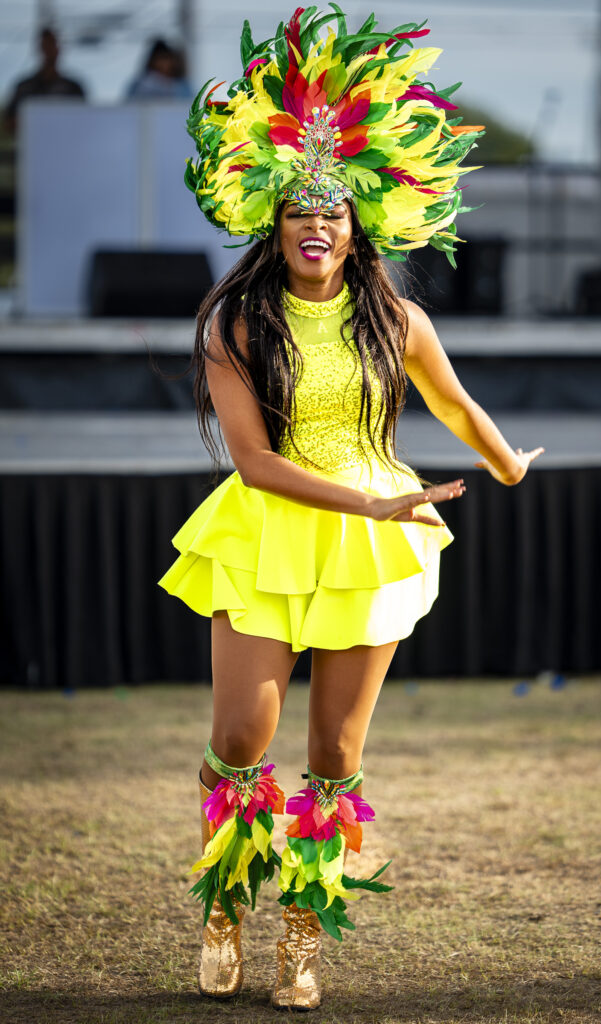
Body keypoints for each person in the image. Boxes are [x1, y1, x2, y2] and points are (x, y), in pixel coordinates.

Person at [158, 5, 544, 1011]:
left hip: (376, 540)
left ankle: (300, 937)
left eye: (330, 212)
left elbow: (454, 402)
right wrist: (364, 507)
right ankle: (222, 909)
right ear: (273, 226)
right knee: (241, 739)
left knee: (333, 758)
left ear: (355, 223)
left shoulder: (397, 317)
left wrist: (505, 465)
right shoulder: (236, 323)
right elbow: (251, 463)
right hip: (274, 529)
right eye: (297, 212)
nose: (315, 225)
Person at [3, 26, 86, 136]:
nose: (49, 50)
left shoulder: (73, 88)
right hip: (32, 147)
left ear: (59, 48)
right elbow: (8, 123)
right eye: (46, 46)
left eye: (53, 45)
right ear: (39, 49)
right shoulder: (24, 87)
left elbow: (85, 122)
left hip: (66, 145)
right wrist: (32, 120)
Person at [126, 38, 193, 101]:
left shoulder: (182, 86)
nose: (163, 64)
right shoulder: (141, 85)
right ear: (152, 61)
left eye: (166, 59)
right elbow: (129, 105)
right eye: (160, 59)